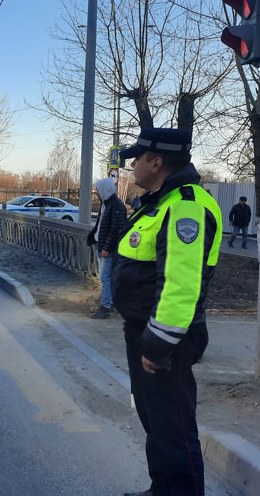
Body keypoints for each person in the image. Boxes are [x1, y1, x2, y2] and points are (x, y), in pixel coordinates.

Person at [111, 128, 222, 496]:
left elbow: (181, 284)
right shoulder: (161, 201)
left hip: (166, 338)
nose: (132, 166)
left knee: (173, 430)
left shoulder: (185, 206)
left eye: (137, 159)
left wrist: (157, 345)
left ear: (156, 162)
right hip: (146, 333)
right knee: (155, 422)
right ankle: (161, 490)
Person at [87, 177, 127, 319]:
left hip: (106, 248)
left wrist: (107, 248)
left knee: (104, 277)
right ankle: (109, 304)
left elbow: (116, 229)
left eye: (98, 189)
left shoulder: (116, 205)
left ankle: (105, 308)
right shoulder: (106, 203)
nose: (96, 192)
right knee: (105, 277)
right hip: (101, 245)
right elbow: (101, 224)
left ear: (105, 189)